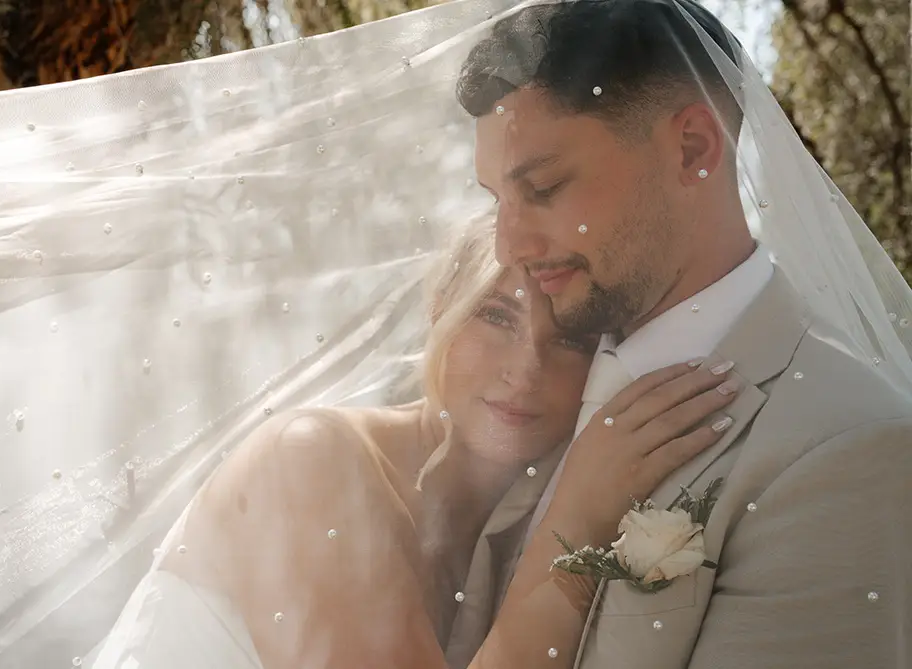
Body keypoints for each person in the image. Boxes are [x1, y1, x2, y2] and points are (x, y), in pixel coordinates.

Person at [453, 0, 912, 668]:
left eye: (544, 187)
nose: (507, 245)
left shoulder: (844, 447)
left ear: (693, 149)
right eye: (497, 200)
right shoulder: (536, 393)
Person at [88, 213, 735, 669]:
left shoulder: (508, 536)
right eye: (496, 315)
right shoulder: (312, 458)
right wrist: (579, 521)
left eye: (568, 338)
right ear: (439, 310)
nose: (525, 368)